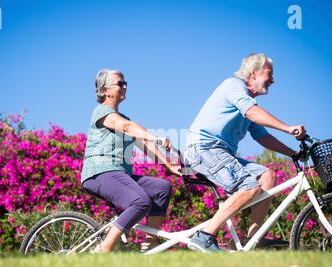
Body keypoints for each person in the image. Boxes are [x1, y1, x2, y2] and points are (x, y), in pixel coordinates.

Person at [184, 53, 306, 252]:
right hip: (204, 148)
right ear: (253, 73)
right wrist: (287, 128)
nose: (273, 80)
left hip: (220, 152)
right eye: (269, 74)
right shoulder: (234, 86)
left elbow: (262, 137)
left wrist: (293, 153)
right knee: (249, 187)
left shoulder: (247, 102)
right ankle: (205, 236)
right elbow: (251, 112)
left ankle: (252, 238)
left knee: (267, 176)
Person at [81, 69, 181, 253]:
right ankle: (104, 249)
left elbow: (143, 143)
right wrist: (156, 137)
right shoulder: (102, 112)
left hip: (118, 173)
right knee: (140, 201)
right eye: (120, 83)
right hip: (100, 173)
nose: (125, 86)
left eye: (125, 83)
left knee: (161, 188)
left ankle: (150, 242)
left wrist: (168, 165)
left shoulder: (124, 119)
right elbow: (127, 127)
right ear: (105, 90)